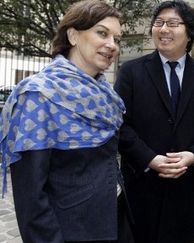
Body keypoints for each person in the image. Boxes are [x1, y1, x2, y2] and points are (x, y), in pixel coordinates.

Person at [0, 0, 125, 242]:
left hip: (110, 221)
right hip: (70, 231)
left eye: (117, 39)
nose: (112, 45)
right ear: (73, 35)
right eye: (102, 33)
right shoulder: (38, 96)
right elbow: (31, 198)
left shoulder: (106, 96)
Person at [113, 0, 194, 242]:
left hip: (187, 191)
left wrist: (193, 156)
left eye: (173, 23)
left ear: (190, 32)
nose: (164, 29)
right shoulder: (131, 73)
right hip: (141, 188)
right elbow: (120, 125)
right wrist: (150, 159)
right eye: (159, 23)